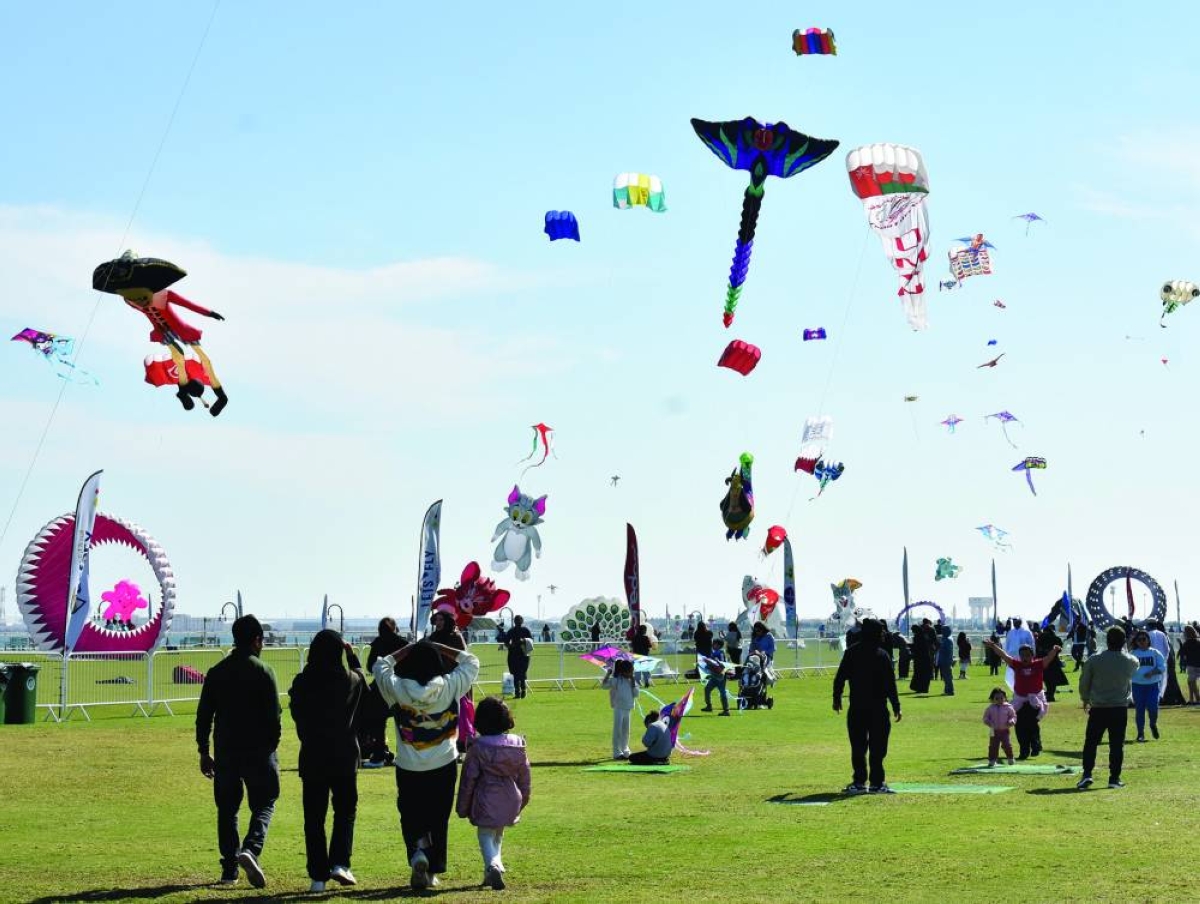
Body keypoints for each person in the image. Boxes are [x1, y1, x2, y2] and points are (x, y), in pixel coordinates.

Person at [374, 640, 480, 890]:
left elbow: (380, 665)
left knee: (411, 814)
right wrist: (442, 647)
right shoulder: (450, 685)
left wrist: (405, 650)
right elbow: (471, 661)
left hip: (409, 765)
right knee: (438, 817)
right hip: (443, 763)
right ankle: (432, 870)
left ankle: (416, 852)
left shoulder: (397, 688)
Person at [195, 614, 281, 888]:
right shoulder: (264, 671)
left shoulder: (218, 671)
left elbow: (204, 715)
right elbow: (274, 718)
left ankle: (229, 868)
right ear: (257, 640)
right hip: (259, 750)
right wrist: (272, 746)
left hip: (226, 750)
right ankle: (251, 849)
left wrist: (203, 750)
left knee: (227, 808)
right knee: (265, 803)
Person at [288, 630, 365, 892]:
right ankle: (340, 863)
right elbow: (363, 682)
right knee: (345, 812)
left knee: (314, 818)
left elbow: (296, 713)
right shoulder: (351, 680)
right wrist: (352, 656)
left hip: (313, 756)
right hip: (345, 757)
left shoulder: (302, 682)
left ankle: (317, 876)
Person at [455, 696, 531, 891]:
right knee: (498, 833)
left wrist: (462, 807)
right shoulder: (518, 745)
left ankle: (494, 864)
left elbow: (468, 780)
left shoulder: (478, 747)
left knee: (485, 834)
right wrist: (522, 801)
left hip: (486, 797)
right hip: (511, 797)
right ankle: (489, 872)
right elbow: (525, 778)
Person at [832, 619, 902, 794]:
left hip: (857, 707)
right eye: (881, 632)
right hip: (878, 708)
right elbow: (890, 684)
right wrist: (896, 706)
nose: (883, 635)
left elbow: (840, 678)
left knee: (858, 746)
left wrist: (837, 698)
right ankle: (877, 783)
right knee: (878, 747)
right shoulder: (882, 655)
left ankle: (859, 782)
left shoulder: (851, 652)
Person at [1077, 626, 1139, 790]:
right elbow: (1133, 663)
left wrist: (1085, 698)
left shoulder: (1094, 660)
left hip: (1098, 707)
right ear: (1123, 641)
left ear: (1106, 640)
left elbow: (1084, 683)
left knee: (1091, 742)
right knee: (1117, 744)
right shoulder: (1130, 661)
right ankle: (1114, 778)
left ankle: (1087, 774)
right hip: (1119, 708)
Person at [984, 638, 1060, 759]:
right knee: (1019, 726)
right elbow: (1004, 655)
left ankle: (1035, 745)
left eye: (1028, 655)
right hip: (1019, 700)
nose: (1025, 658)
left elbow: (1048, 658)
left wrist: (1054, 650)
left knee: (1031, 723)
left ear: (1032, 656)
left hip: (1034, 701)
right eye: (1022, 655)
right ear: (1019, 656)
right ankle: (1024, 750)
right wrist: (993, 646)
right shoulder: (1017, 665)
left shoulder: (1038, 664)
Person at [361, 618, 406, 768]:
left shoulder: (378, 643)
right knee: (404, 722)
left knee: (378, 723)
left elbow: (369, 666)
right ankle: (405, 755)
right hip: (401, 686)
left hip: (381, 687)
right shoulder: (403, 643)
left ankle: (380, 754)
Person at [1130, 630, 1167, 742]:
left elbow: (1162, 668)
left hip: (1152, 685)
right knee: (1139, 710)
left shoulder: (1155, 653)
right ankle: (1140, 733)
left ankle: (1153, 724)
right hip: (1137, 685)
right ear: (1136, 642)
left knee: (1153, 707)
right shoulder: (1133, 654)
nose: (1141, 642)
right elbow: (1127, 668)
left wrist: (1152, 672)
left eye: (1143, 639)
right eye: (1139, 640)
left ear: (1148, 640)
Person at [602, 658, 638, 759]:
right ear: (623, 671)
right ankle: (617, 752)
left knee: (626, 731)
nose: (631, 673)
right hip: (619, 708)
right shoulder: (616, 680)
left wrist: (633, 682)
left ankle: (625, 750)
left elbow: (636, 694)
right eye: (630, 671)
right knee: (617, 730)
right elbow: (604, 686)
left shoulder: (631, 681)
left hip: (628, 708)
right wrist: (608, 674)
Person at [982, 687, 1017, 767]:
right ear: (992, 699)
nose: (1000, 700)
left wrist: (1011, 721)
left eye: (1001, 698)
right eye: (997, 698)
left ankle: (1010, 758)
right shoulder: (990, 708)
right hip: (994, 731)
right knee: (993, 746)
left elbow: (1013, 716)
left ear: (1005, 698)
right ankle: (992, 760)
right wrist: (988, 722)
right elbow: (985, 718)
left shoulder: (1008, 707)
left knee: (1007, 745)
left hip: (1005, 730)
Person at [1037, 623, 1069, 702]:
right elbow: (1059, 649)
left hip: (1043, 662)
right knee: (1052, 680)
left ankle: (1048, 694)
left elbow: (1037, 649)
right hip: (1054, 662)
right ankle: (1050, 695)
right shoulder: (1056, 638)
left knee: (1046, 679)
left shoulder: (1040, 638)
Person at [503, 615, 534, 699]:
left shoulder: (526, 630)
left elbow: (531, 640)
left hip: (523, 655)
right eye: (516, 620)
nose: (517, 622)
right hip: (513, 655)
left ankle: (523, 691)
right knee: (514, 674)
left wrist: (523, 640)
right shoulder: (511, 631)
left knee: (522, 674)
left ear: (522, 621)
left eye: (519, 620)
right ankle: (517, 693)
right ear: (514, 621)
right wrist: (511, 646)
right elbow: (506, 641)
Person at [699, 638, 731, 716]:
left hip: (720, 677)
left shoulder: (721, 653)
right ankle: (709, 706)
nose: (713, 645)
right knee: (707, 689)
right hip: (714, 676)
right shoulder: (714, 653)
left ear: (719, 645)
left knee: (722, 693)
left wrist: (716, 661)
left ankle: (726, 710)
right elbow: (711, 664)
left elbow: (723, 664)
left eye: (714, 644)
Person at [1002, 618, 1034, 689]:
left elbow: (1032, 645)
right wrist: (1005, 657)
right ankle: (1015, 691)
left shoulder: (1027, 632)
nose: (1014, 622)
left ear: (1020, 622)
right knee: (1012, 676)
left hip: (1024, 659)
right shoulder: (1010, 632)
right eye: (1013, 621)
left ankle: (1024, 690)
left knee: (1023, 675)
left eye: (1016, 620)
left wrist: (1032, 657)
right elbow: (1007, 645)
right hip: (1012, 658)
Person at [1147, 621, 1171, 701]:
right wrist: (1165, 659)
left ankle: (1152, 697)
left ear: (1149, 626)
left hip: (1150, 660)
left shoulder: (1148, 634)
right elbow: (1167, 649)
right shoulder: (1162, 634)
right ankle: (1159, 696)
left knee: (1151, 679)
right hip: (1162, 659)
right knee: (1162, 679)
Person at [908, 625, 932, 693]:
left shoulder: (917, 637)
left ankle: (919, 688)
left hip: (919, 658)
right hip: (925, 658)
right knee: (924, 673)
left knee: (919, 673)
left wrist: (910, 646)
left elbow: (917, 648)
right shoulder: (924, 636)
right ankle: (923, 688)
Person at [1180, 625, 1200, 705]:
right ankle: (1194, 698)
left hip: (1191, 665)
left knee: (1191, 682)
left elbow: (1183, 655)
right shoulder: (1198, 641)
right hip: (1198, 664)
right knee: (1190, 682)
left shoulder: (1186, 643)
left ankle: (1195, 698)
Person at [935, 626, 955, 696]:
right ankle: (947, 690)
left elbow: (947, 651)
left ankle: (950, 691)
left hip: (946, 661)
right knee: (946, 677)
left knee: (948, 677)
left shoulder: (948, 640)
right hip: (944, 660)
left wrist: (939, 646)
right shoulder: (945, 639)